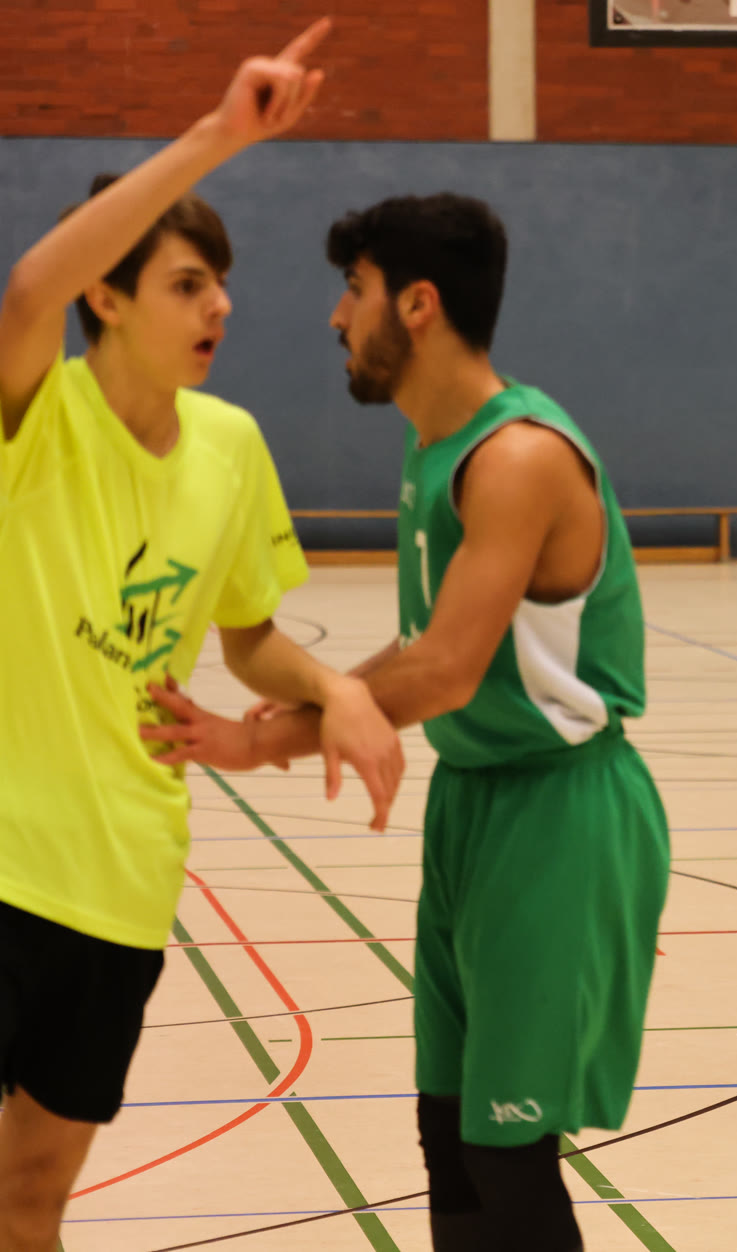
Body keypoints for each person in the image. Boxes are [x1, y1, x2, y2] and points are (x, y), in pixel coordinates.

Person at [150, 192, 669, 1252]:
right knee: (449, 1131)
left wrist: (258, 739)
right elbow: (422, 645)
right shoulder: (435, 444)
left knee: (508, 1149)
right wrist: (323, 700)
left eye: (355, 289)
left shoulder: (516, 456)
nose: (338, 316)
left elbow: (443, 670)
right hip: (474, 802)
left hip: (560, 813)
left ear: (419, 305)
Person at [0, 22, 404, 1250]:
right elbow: (27, 289)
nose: (219, 304)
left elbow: (248, 640)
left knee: (33, 1197)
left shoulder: (230, 446)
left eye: (220, 283)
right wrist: (222, 133)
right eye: (186, 283)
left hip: (123, 876)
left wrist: (335, 687)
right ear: (108, 296)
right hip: (7, 861)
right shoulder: (39, 411)